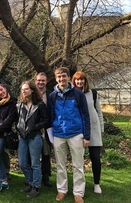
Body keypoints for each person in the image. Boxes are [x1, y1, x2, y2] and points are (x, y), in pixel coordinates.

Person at [47, 67, 90, 203]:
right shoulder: (52, 96)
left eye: (64, 76)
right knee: (60, 165)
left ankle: (78, 193)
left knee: (78, 165)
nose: (61, 79)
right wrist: (51, 134)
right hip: (59, 134)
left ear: (68, 77)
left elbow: (85, 115)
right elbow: (50, 115)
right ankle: (62, 190)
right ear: (56, 79)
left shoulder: (78, 94)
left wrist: (87, 136)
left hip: (76, 134)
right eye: (59, 77)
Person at [72, 71, 104, 194]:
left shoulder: (93, 93)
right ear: (74, 82)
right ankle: (80, 185)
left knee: (95, 158)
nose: (79, 82)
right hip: (79, 130)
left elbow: (99, 112)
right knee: (78, 159)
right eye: (77, 80)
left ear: (85, 81)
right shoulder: (72, 94)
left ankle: (97, 183)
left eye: (82, 80)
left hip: (94, 131)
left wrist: (101, 130)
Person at [17, 81, 50, 198]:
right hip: (23, 137)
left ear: (32, 90)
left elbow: (47, 120)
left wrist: (34, 127)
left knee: (35, 163)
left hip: (35, 137)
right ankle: (30, 182)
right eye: (22, 89)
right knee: (22, 163)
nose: (24, 91)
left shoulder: (40, 105)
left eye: (26, 89)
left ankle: (36, 187)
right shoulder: (20, 104)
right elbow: (18, 120)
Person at [35, 72, 52, 187]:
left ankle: (45, 177)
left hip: (46, 128)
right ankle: (33, 177)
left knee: (46, 153)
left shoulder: (51, 95)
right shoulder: (31, 93)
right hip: (34, 128)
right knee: (33, 154)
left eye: (43, 80)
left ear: (46, 82)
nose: (41, 82)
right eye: (39, 80)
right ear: (35, 81)